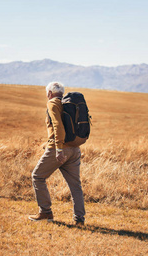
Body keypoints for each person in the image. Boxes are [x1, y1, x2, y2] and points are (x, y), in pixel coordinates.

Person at [28, 81, 86, 226]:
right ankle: (79, 218)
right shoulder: (68, 104)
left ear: (49, 93)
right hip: (74, 149)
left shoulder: (52, 103)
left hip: (59, 150)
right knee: (75, 185)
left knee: (37, 176)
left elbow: (58, 126)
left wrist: (58, 148)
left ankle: (45, 212)